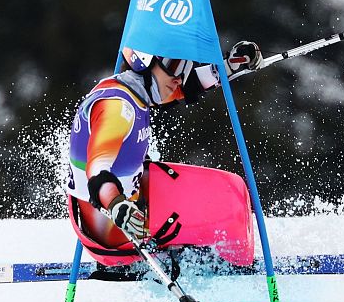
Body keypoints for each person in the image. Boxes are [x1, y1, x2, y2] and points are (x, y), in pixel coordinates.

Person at [65, 41, 263, 253]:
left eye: (184, 69)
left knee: (225, 199)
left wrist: (230, 65)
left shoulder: (130, 90)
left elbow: (188, 87)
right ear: (144, 60)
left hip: (129, 206)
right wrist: (116, 204)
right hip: (115, 230)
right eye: (174, 66)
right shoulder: (118, 108)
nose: (179, 78)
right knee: (225, 206)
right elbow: (97, 169)